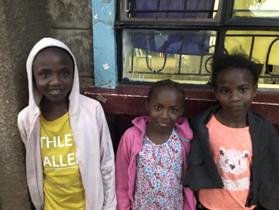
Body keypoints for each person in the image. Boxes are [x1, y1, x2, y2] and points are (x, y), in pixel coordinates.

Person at [17, 37, 116, 210]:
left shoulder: (92, 111)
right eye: (45, 74)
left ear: (74, 74)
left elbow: (106, 162)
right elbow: (34, 166)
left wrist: (109, 206)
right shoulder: (27, 119)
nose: (55, 81)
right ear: (33, 77)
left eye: (64, 73)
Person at [184, 54, 279, 210]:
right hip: (209, 206)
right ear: (215, 92)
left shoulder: (263, 129)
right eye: (225, 91)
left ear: (254, 90)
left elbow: (271, 170)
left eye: (242, 89)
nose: (234, 97)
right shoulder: (202, 126)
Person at [116, 79, 196, 210]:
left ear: (181, 111)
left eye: (173, 110)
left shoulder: (185, 139)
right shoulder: (131, 137)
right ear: (147, 105)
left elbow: (189, 180)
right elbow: (122, 180)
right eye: (158, 108)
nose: (164, 115)